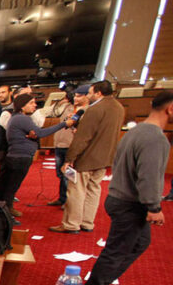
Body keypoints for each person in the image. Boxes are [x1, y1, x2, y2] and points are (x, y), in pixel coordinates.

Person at [79, 91, 171, 285]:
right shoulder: (154, 138)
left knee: (139, 242)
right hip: (131, 203)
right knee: (118, 247)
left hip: (121, 197)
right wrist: (153, 206)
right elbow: (149, 175)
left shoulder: (136, 130)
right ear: (170, 109)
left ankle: (104, 282)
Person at [50, 81, 126, 234]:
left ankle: (71, 224)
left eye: (90, 93)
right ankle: (87, 222)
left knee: (76, 191)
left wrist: (69, 158)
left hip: (87, 157)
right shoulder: (118, 107)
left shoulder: (94, 110)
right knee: (93, 190)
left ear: (99, 93)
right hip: (104, 158)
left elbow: (83, 138)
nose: (88, 96)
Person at [0, 93, 70, 222]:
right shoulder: (22, 119)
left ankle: (4, 211)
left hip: (17, 156)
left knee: (8, 187)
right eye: (32, 103)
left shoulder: (17, 118)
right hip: (20, 158)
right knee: (10, 188)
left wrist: (34, 135)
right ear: (22, 106)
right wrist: (64, 124)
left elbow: (36, 133)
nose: (35, 105)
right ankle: (4, 216)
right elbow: (41, 133)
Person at [46, 88, 82, 207]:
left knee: (69, 175)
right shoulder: (65, 108)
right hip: (59, 144)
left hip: (70, 145)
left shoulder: (82, 111)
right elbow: (51, 112)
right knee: (60, 174)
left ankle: (69, 201)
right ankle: (62, 198)